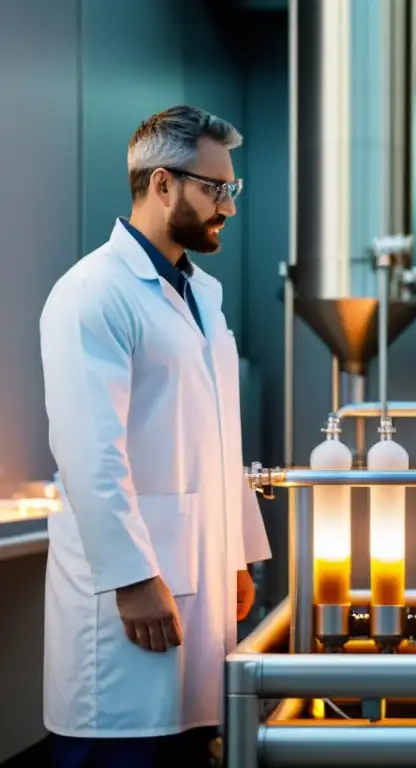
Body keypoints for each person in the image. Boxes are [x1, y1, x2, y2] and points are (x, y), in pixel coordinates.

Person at [39, 105, 272, 768]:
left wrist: (237, 552)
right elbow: (89, 450)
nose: (228, 204)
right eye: (215, 188)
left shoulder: (202, 295)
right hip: (130, 592)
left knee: (187, 743)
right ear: (163, 184)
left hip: (200, 572)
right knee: (120, 745)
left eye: (233, 189)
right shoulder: (94, 292)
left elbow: (220, 435)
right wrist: (134, 575)